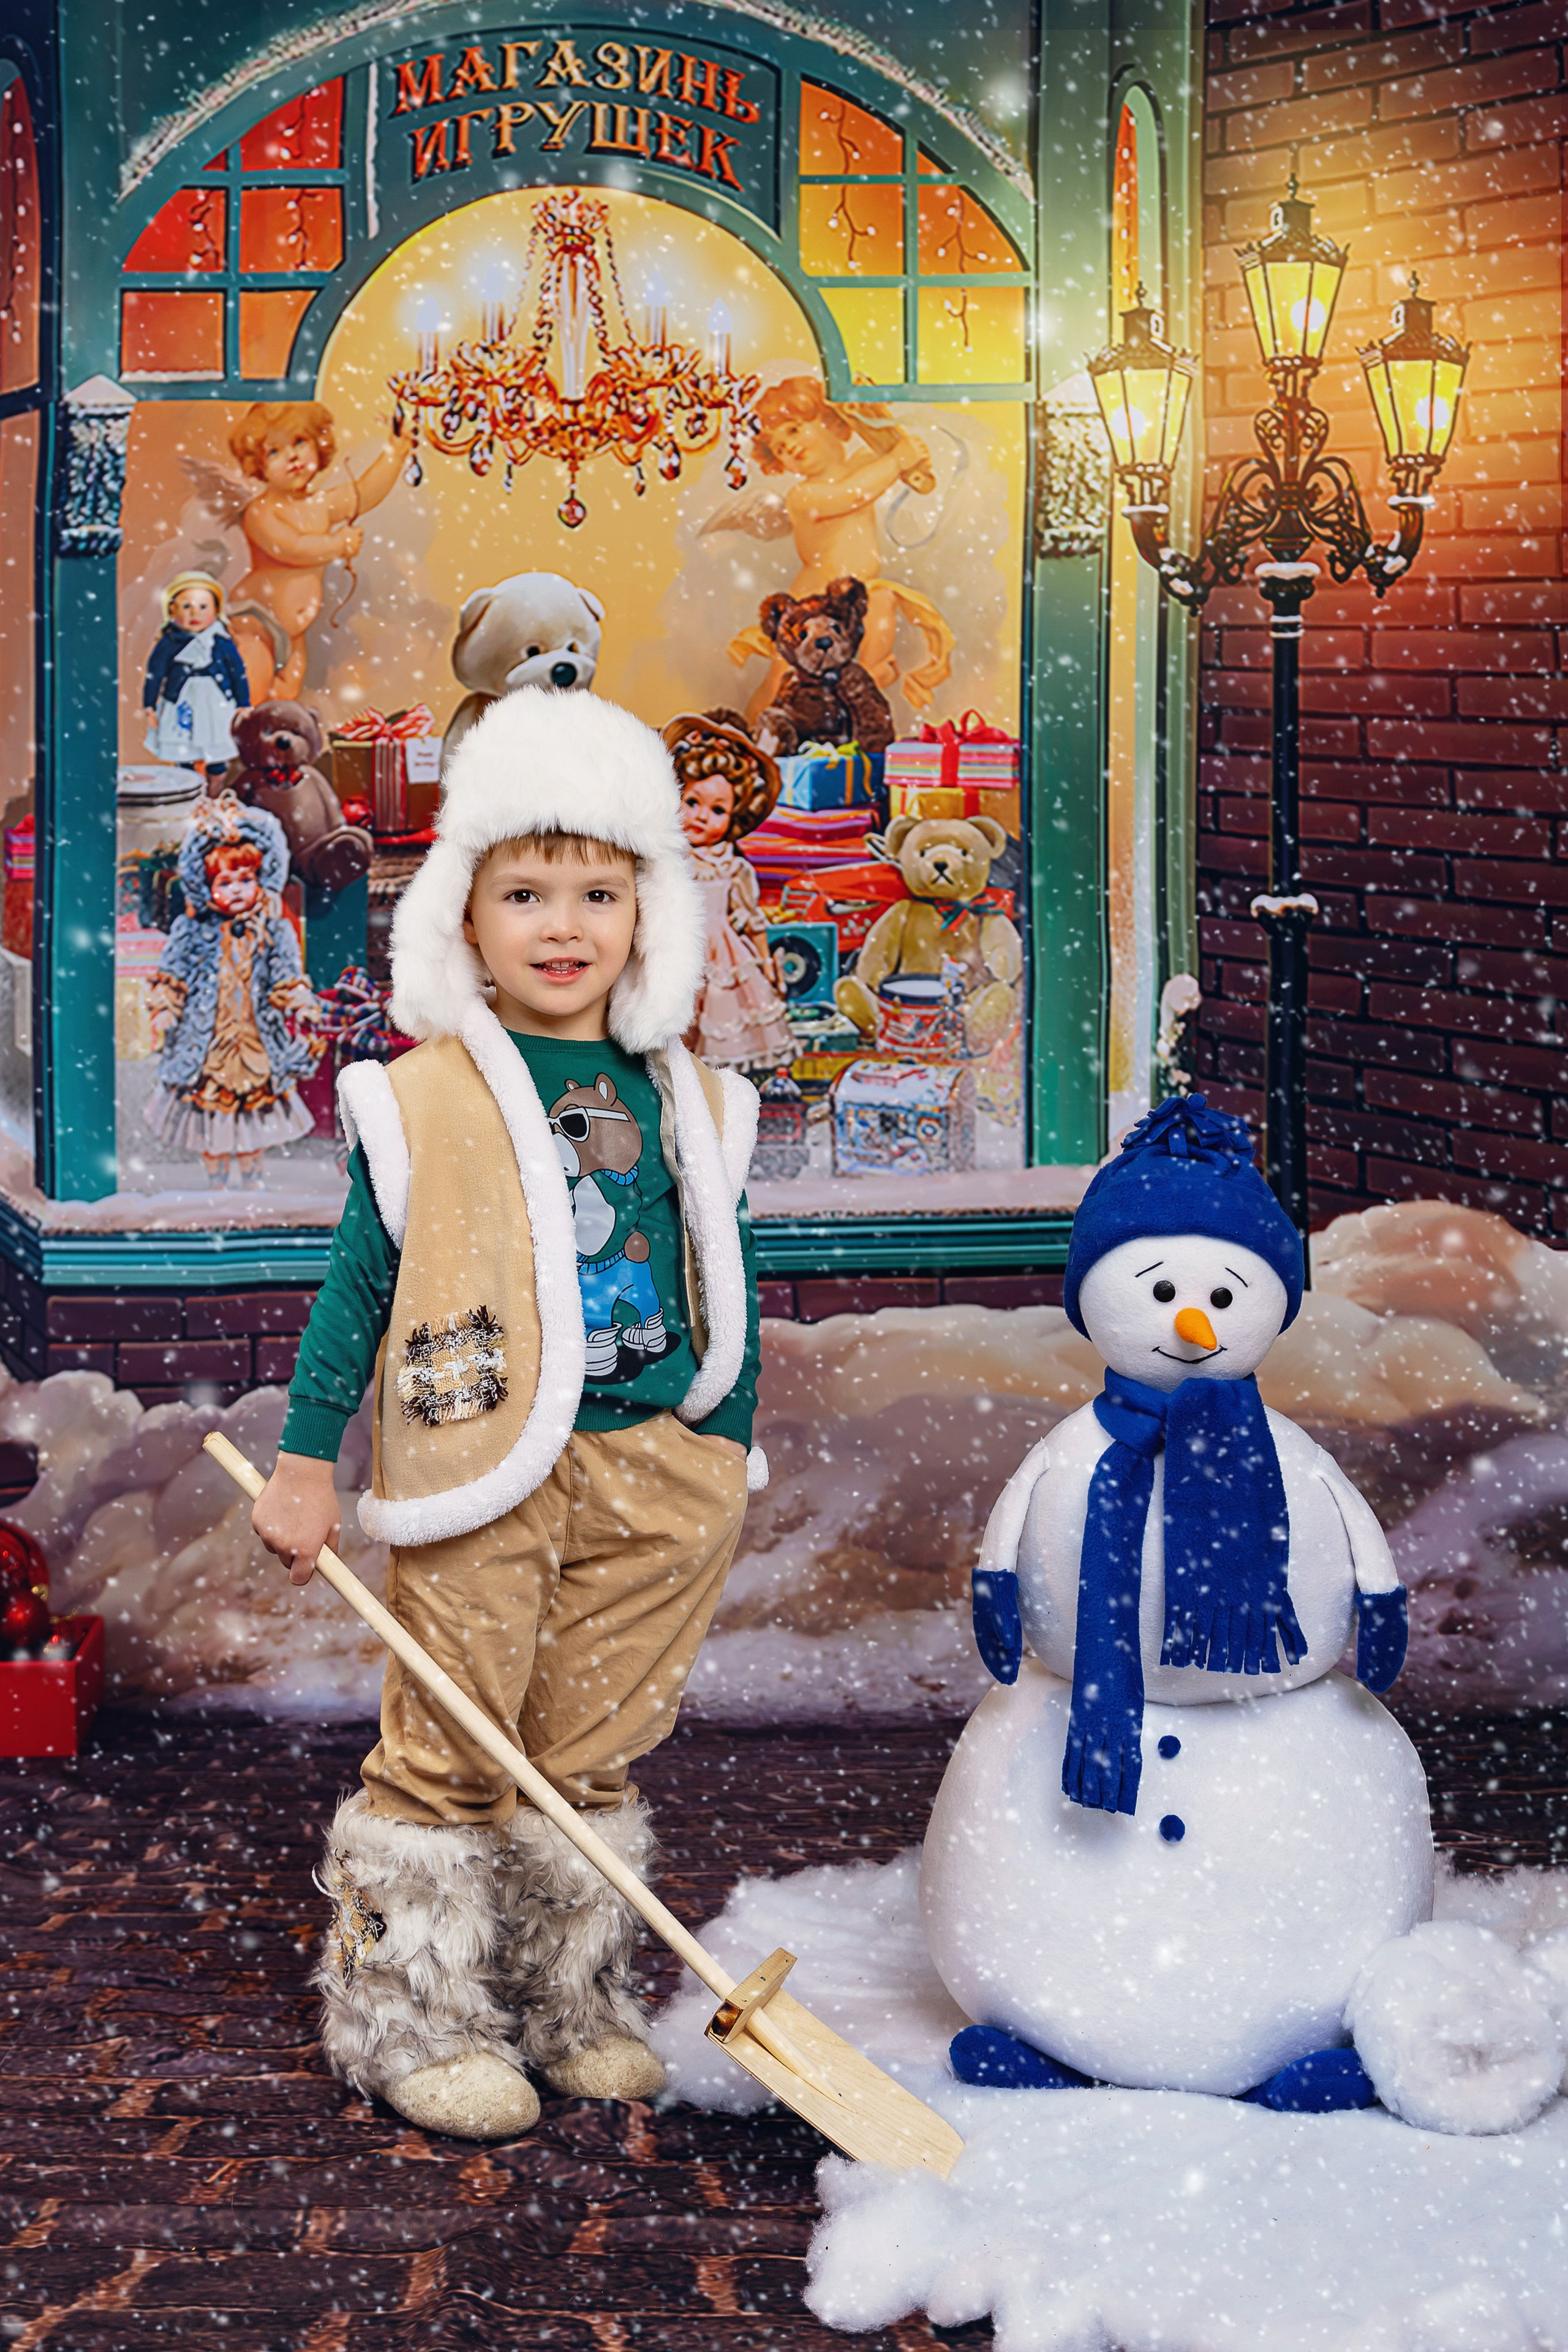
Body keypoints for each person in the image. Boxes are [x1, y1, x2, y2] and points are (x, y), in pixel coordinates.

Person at [251, 687, 764, 2142]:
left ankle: (566, 1998)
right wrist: (305, 1459)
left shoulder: (692, 1097)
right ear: (462, 916)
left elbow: (729, 1276)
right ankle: (409, 2013)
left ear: (646, 911)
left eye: (598, 891)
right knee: (457, 1735)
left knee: (586, 1743)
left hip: (655, 1462)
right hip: (481, 1457)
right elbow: (359, 1283)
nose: (562, 923)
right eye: (524, 890)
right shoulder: (421, 1097)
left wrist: (719, 1446)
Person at [145, 794, 322, 1189]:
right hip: (209, 1040)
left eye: (247, 879)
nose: (239, 890)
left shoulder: (273, 929)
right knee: (213, 1121)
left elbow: (285, 975)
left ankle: (253, 1175)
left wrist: (298, 1001)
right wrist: (166, 1006)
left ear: (263, 879)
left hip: (254, 1039)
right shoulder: (193, 931)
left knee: (252, 1121)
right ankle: (217, 1180)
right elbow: (173, 972)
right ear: (206, 886)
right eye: (226, 882)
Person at [224, 399, 414, 702]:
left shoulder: (320, 506)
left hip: (294, 634)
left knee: (286, 695)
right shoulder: (262, 511)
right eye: (274, 452)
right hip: (257, 621)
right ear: (258, 466)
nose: (292, 457)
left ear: (318, 443)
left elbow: (364, 493)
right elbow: (294, 547)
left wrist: (396, 452)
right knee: (253, 691)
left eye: (299, 442)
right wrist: (338, 544)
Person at [665, 709, 795, 1073]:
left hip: (722, 955)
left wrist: (768, 961)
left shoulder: (733, 867)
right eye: (692, 802)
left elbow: (752, 919)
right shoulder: (668, 857)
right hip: (676, 947)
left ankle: (713, 1092)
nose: (703, 816)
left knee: (720, 1024)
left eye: (718, 809)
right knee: (674, 1023)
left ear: (735, 816)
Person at [141, 572, 250, 784]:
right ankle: (186, 790)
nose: (195, 613)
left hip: (215, 702)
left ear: (216, 610)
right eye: (186, 607)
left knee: (216, 749)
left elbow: (238, 673)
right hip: (181, 701)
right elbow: (155, 674)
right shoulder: (169, 643)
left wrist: (243, 703)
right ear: (172, 610)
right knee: (184, 749)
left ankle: (214, 796)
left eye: (203, 607)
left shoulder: (221, 641)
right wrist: (149, 706)